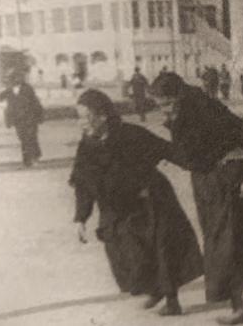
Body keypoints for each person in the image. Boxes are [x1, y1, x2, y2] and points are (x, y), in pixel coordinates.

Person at [150, 73, 243, 325]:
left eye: (165, 104)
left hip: (233, 184)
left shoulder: (209, 112)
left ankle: (240, 310)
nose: (163, 111)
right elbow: (190, 158)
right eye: (159, 106)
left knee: (227, 247)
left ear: (178, 96)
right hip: (208, 190)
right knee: (241, 244)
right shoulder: (181, 118)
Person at [69, 89, 203, 316]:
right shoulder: (87, 145)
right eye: (79, 117)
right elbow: (84, 184)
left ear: (102, 116)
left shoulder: (131, 134)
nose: (81, 122)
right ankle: (155, 288)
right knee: (126, 254)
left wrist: (200, 160)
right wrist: (81, 218)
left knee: (163, 249)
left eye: (85, 116)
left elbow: (168, 151)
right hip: (117, 207)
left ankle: (172, 300)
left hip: (150, 200)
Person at [0, 68, 44, 167]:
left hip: (30, 118)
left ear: (20, 78)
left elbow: (35, 103)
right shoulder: (10, 90)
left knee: (31, 138)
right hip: (18, 120)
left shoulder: (27, 88)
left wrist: (39, 117)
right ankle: (29, 160)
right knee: (23, 139)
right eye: (11, 78)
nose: (14, 80)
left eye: (15, 77)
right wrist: (7, 89)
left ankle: (34, 158)